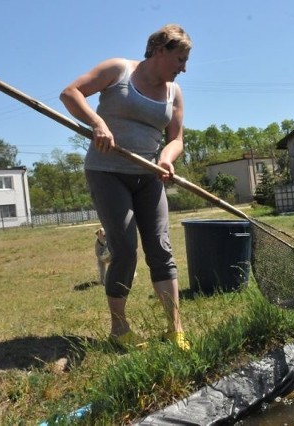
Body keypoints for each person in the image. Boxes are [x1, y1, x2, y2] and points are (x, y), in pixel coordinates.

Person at [60, 24, 191, 351]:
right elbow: (70, 93)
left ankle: (175, 330)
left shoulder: (174, 92)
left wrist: (167, 158)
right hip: (108, 172)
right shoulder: (118, 70)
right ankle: (119, 329)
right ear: (160, 51)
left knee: (161, 249)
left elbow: (176, 138)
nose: (183, 67)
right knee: (125, 248)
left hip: (149, 175)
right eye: (180, 58)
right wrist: (97, 123)